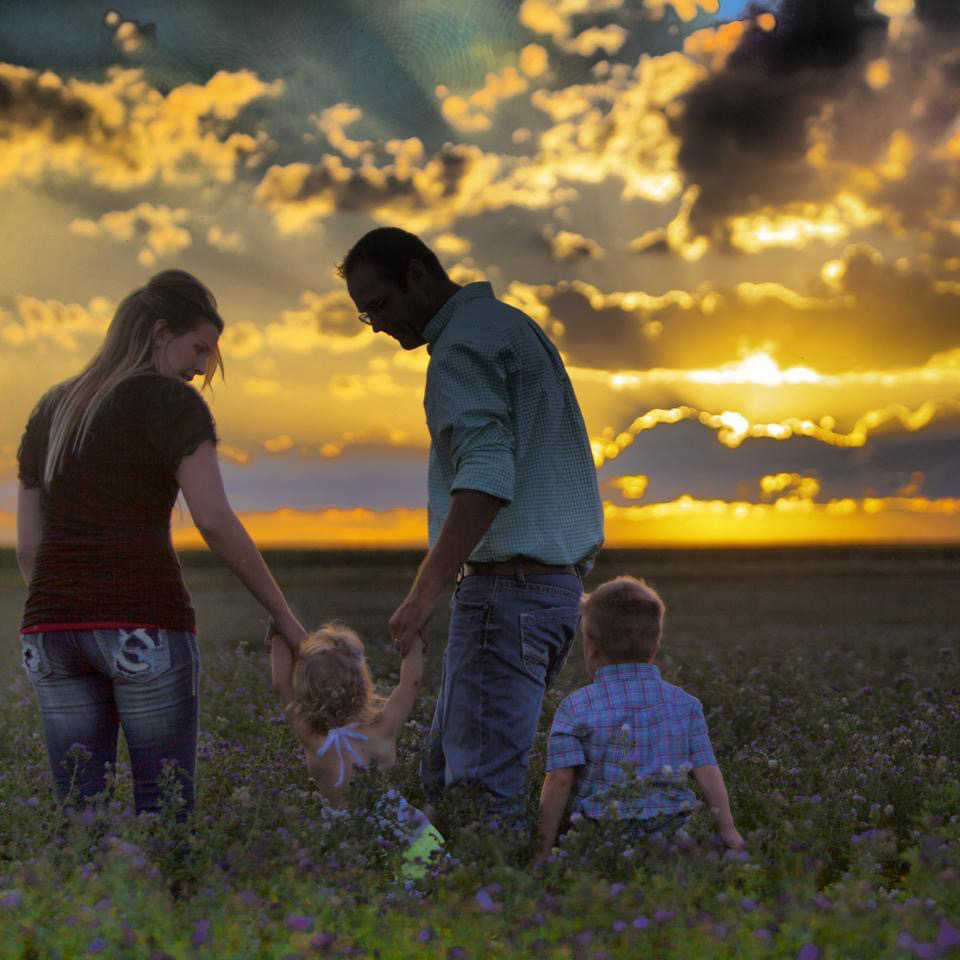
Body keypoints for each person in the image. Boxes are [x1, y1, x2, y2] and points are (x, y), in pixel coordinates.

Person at [16, 269, 306, 817]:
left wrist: (66, 604)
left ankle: (84, 880)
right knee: (165, 812)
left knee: (80, 817)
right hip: (142, 622)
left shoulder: (52, 409)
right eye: (199, 348)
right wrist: (283, 616)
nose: (201, 367)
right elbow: (213, 519)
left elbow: (29, 546)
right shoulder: (171, 403)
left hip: (49, 631)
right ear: (159, 333)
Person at [338, 227, 604, 818]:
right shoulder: (512, 326)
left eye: (379, 304)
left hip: (507, 593)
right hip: (553, 592)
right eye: (365, 315)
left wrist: (423, 593)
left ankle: (495, 881)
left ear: (417, 274)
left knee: (478, 797)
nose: (377, 325)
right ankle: (423, 879)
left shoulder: (460, 347)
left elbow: (486, 474)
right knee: (448, 781)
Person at [535, 576, 744, 864]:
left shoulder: (575, 706)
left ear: (591, 646)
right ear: (654, 648)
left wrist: (543, 851)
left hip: (601, 831)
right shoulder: (685, 704)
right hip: (671, 832)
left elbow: (559, 780)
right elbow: (706, 770)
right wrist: (728, 830)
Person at [269, 622, 444, 878]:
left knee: (358, 893)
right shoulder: (382, 730)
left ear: (305, 691)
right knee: (430, 889)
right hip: (405, 834)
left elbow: (282, 685)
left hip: (347, 843)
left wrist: (278, 630)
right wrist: (414, 633)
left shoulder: (315, 741)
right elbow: (411, 683)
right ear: (364, 685)